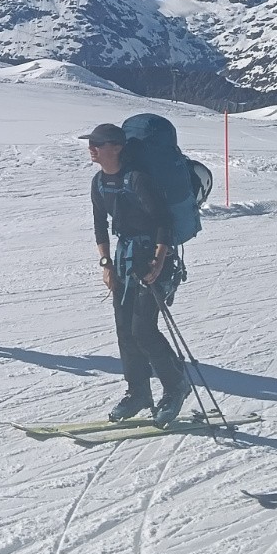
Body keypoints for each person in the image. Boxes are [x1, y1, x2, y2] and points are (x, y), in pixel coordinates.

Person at [89, 122, 191, 426]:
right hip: (125, 260)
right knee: (125, 330)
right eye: (91, 143)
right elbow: (99, 224)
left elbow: (163, 221)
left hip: (151, 260)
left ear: (116, 147)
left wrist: (158, 262)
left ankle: (176, 386)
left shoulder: (138, 179)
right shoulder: (99, 182)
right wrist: (106, 264)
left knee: (143, 330)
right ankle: (138, 392)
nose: (92, 149)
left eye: (98, 143)